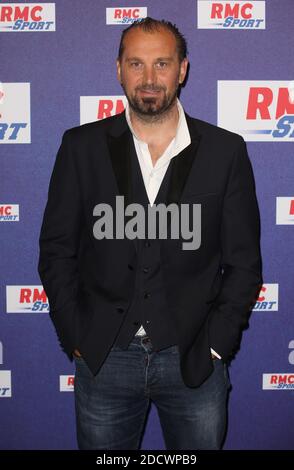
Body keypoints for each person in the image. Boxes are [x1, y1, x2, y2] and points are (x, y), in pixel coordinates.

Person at [38, 17, 262, 450]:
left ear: (182, 70)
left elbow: (244, 262)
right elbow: (57, 250)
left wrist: (217, 344)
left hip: (195, 358)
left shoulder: (225, 151)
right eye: (136, 64)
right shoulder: (80, 147)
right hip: (104, 359)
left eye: (162, 64)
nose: (149, 78)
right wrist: (77, 336)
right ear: (118, 69)